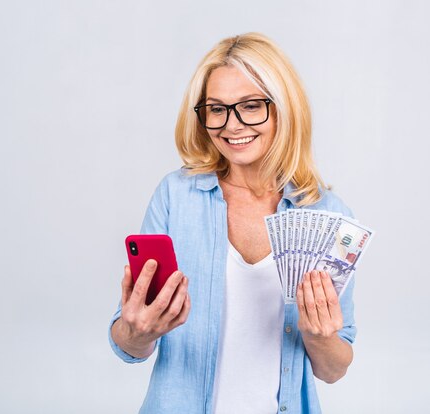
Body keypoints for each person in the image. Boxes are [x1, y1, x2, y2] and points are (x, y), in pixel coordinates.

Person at [108, 32, 357, 414]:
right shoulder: (176, 196)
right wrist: (136, 332)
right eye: (216, 109)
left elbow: (334, 369)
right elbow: (128, 344)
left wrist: (320, 337)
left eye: (251, 106)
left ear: (283, 108)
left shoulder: (329, 217)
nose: (232, 125)